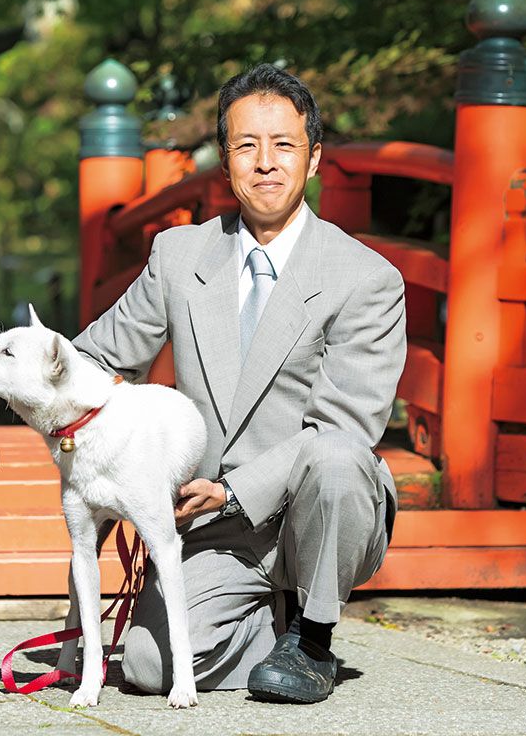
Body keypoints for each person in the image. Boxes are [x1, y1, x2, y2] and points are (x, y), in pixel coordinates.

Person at [73, 64, 405, 703]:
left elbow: (344, 428)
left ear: (312, 161)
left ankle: (313, 637)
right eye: (246, 147)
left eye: (284, 145)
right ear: (225, 164)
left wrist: (231, 491)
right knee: (147, 668)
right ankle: (269, 627)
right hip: (216, 527)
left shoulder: (366, 277)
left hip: (318, 509)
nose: (266, 163)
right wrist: (3, 374)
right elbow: (97, 360)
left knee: (338, 459)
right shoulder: (179, 256)